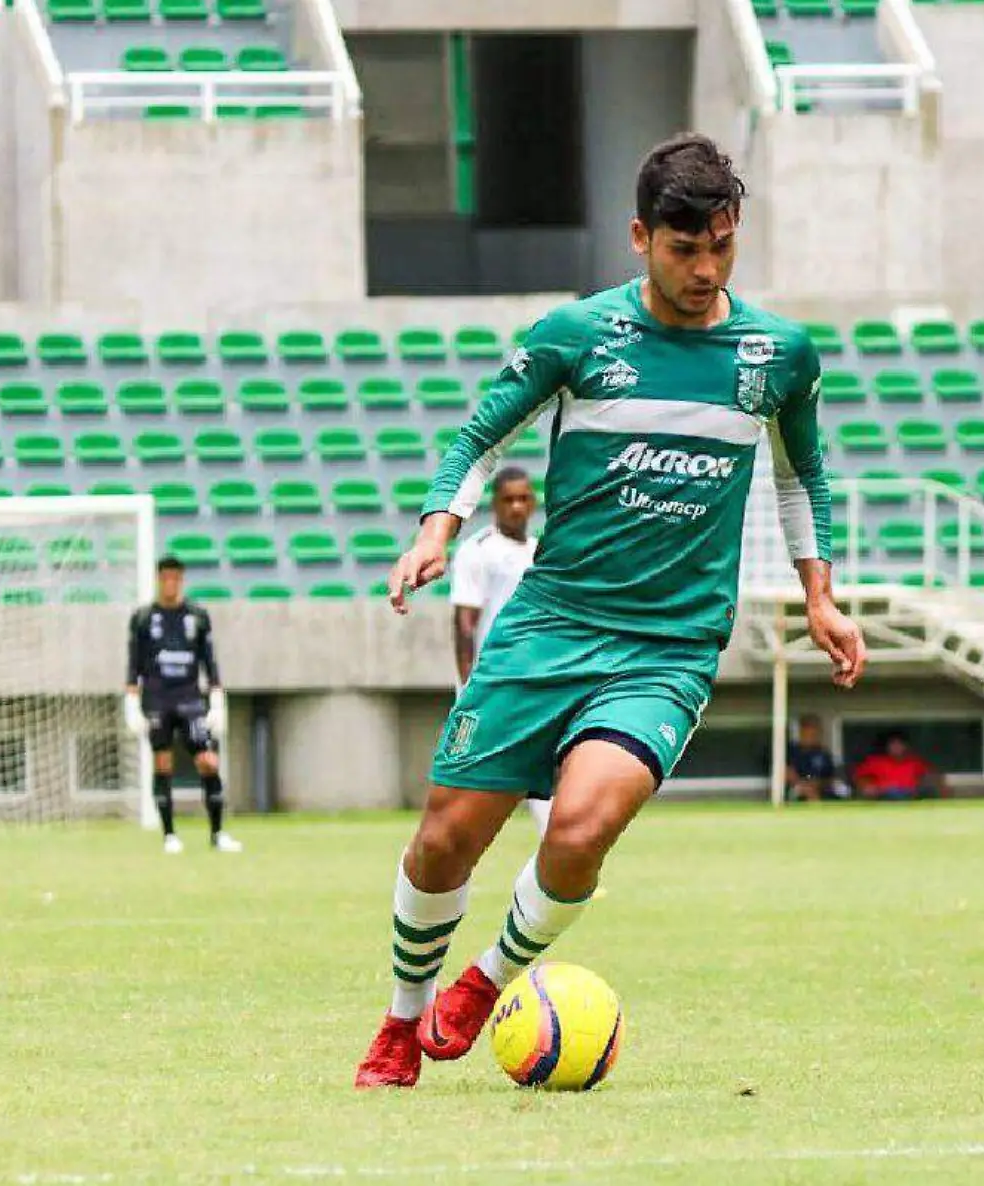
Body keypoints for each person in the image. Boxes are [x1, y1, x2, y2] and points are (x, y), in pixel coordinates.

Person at [354, 133, 868, 1088]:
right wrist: (436, 529)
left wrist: (821, 594)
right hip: (551, 622)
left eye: (722, 245)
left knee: (583, 826)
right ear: (640, 237)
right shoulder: (578, 337)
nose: (705, 269)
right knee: (445, 837)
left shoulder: (777, 354)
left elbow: (804, 475)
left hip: (668, 647)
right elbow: (478, 432)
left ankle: (486, 981)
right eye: (685, 249)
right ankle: (400, 1017)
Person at [450, 465, 548, 835]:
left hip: (536, 678)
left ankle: (555, 865)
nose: (517, 507)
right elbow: (464, 623)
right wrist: (467, 685)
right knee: (470, 776)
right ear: (495, 504)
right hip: (492, 680)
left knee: (541, 771)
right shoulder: (478, 551)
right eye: (509, 499)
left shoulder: (542, 551)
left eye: (523, 498)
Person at [123, 556, 240, 855]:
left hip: (189, 698)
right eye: (165, 578)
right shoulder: (143, 618)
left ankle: (217, 833)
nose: (170, 583)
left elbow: (209, 660)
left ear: (181, 580)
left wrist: (216, 698)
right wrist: (132, 702)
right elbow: (133, 663)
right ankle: (170, 835)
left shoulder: (197, 616)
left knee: (208, 761)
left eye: (176, 578)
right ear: (159, 579)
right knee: (163, 763)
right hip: (157, 699)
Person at [851, 731, 948, 801]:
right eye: (892, 744)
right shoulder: (875, 761)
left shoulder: (915, 762)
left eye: (899, 744)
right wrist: (867, 786)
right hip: (884, 796)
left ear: (905, 746)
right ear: (887, 747)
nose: (896, 747)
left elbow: (934, 775)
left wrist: (940, 787)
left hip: (911, 796)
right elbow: (859, 777)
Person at [785, 714, 842, 802]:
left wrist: (819, 783)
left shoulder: (823, 753)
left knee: (840, 792)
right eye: (807, 730)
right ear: (801, 731)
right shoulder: (791, 751)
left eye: (814, 731)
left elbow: (830, 776)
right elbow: (787, 772)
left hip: (820, 788)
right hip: (796, 787)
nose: (811, 735)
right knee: (806, 792)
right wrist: (802, 784)